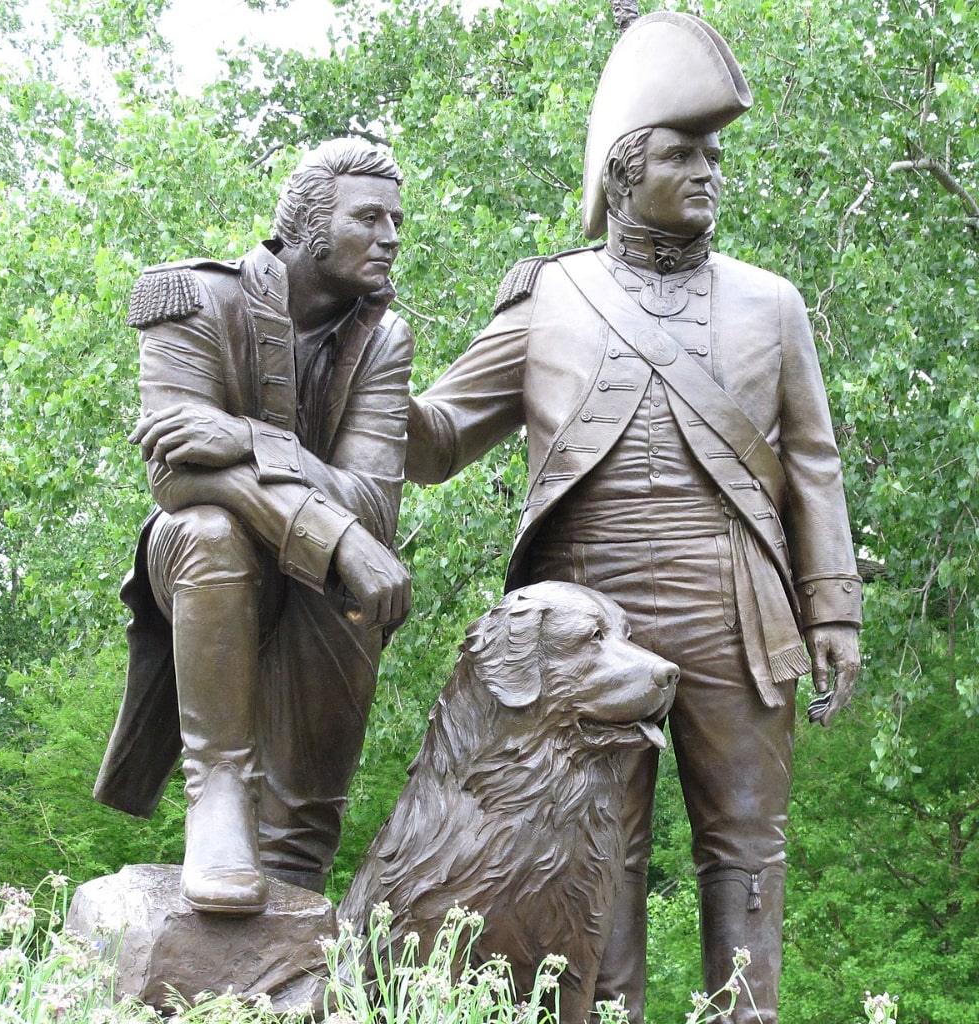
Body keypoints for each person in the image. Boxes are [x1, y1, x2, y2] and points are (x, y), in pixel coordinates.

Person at [404, 13, 861, 1023]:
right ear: (622, 169)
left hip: (730, 594)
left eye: (712, 155)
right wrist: (358, 351)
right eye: (681, 152)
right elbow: (433, 439)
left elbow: (813, 468)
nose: (707, 172)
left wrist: (831, 609)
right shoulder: (549, 297)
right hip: (582, 610)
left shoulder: (772, 303)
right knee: (592, 841)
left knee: (746, 839)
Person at [94, 138, 414, 915]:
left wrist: (247, 440)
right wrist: (332, 532)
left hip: (319, 581)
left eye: (398, 220)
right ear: (307, 226)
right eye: (368, 217)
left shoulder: (385, 338)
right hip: (200, 564)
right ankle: (218, 798)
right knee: (211, 527)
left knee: (339, 589)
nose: (391, 235)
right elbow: (173, 472)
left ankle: (294, 914)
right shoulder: (192, 298)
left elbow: (371, 506)